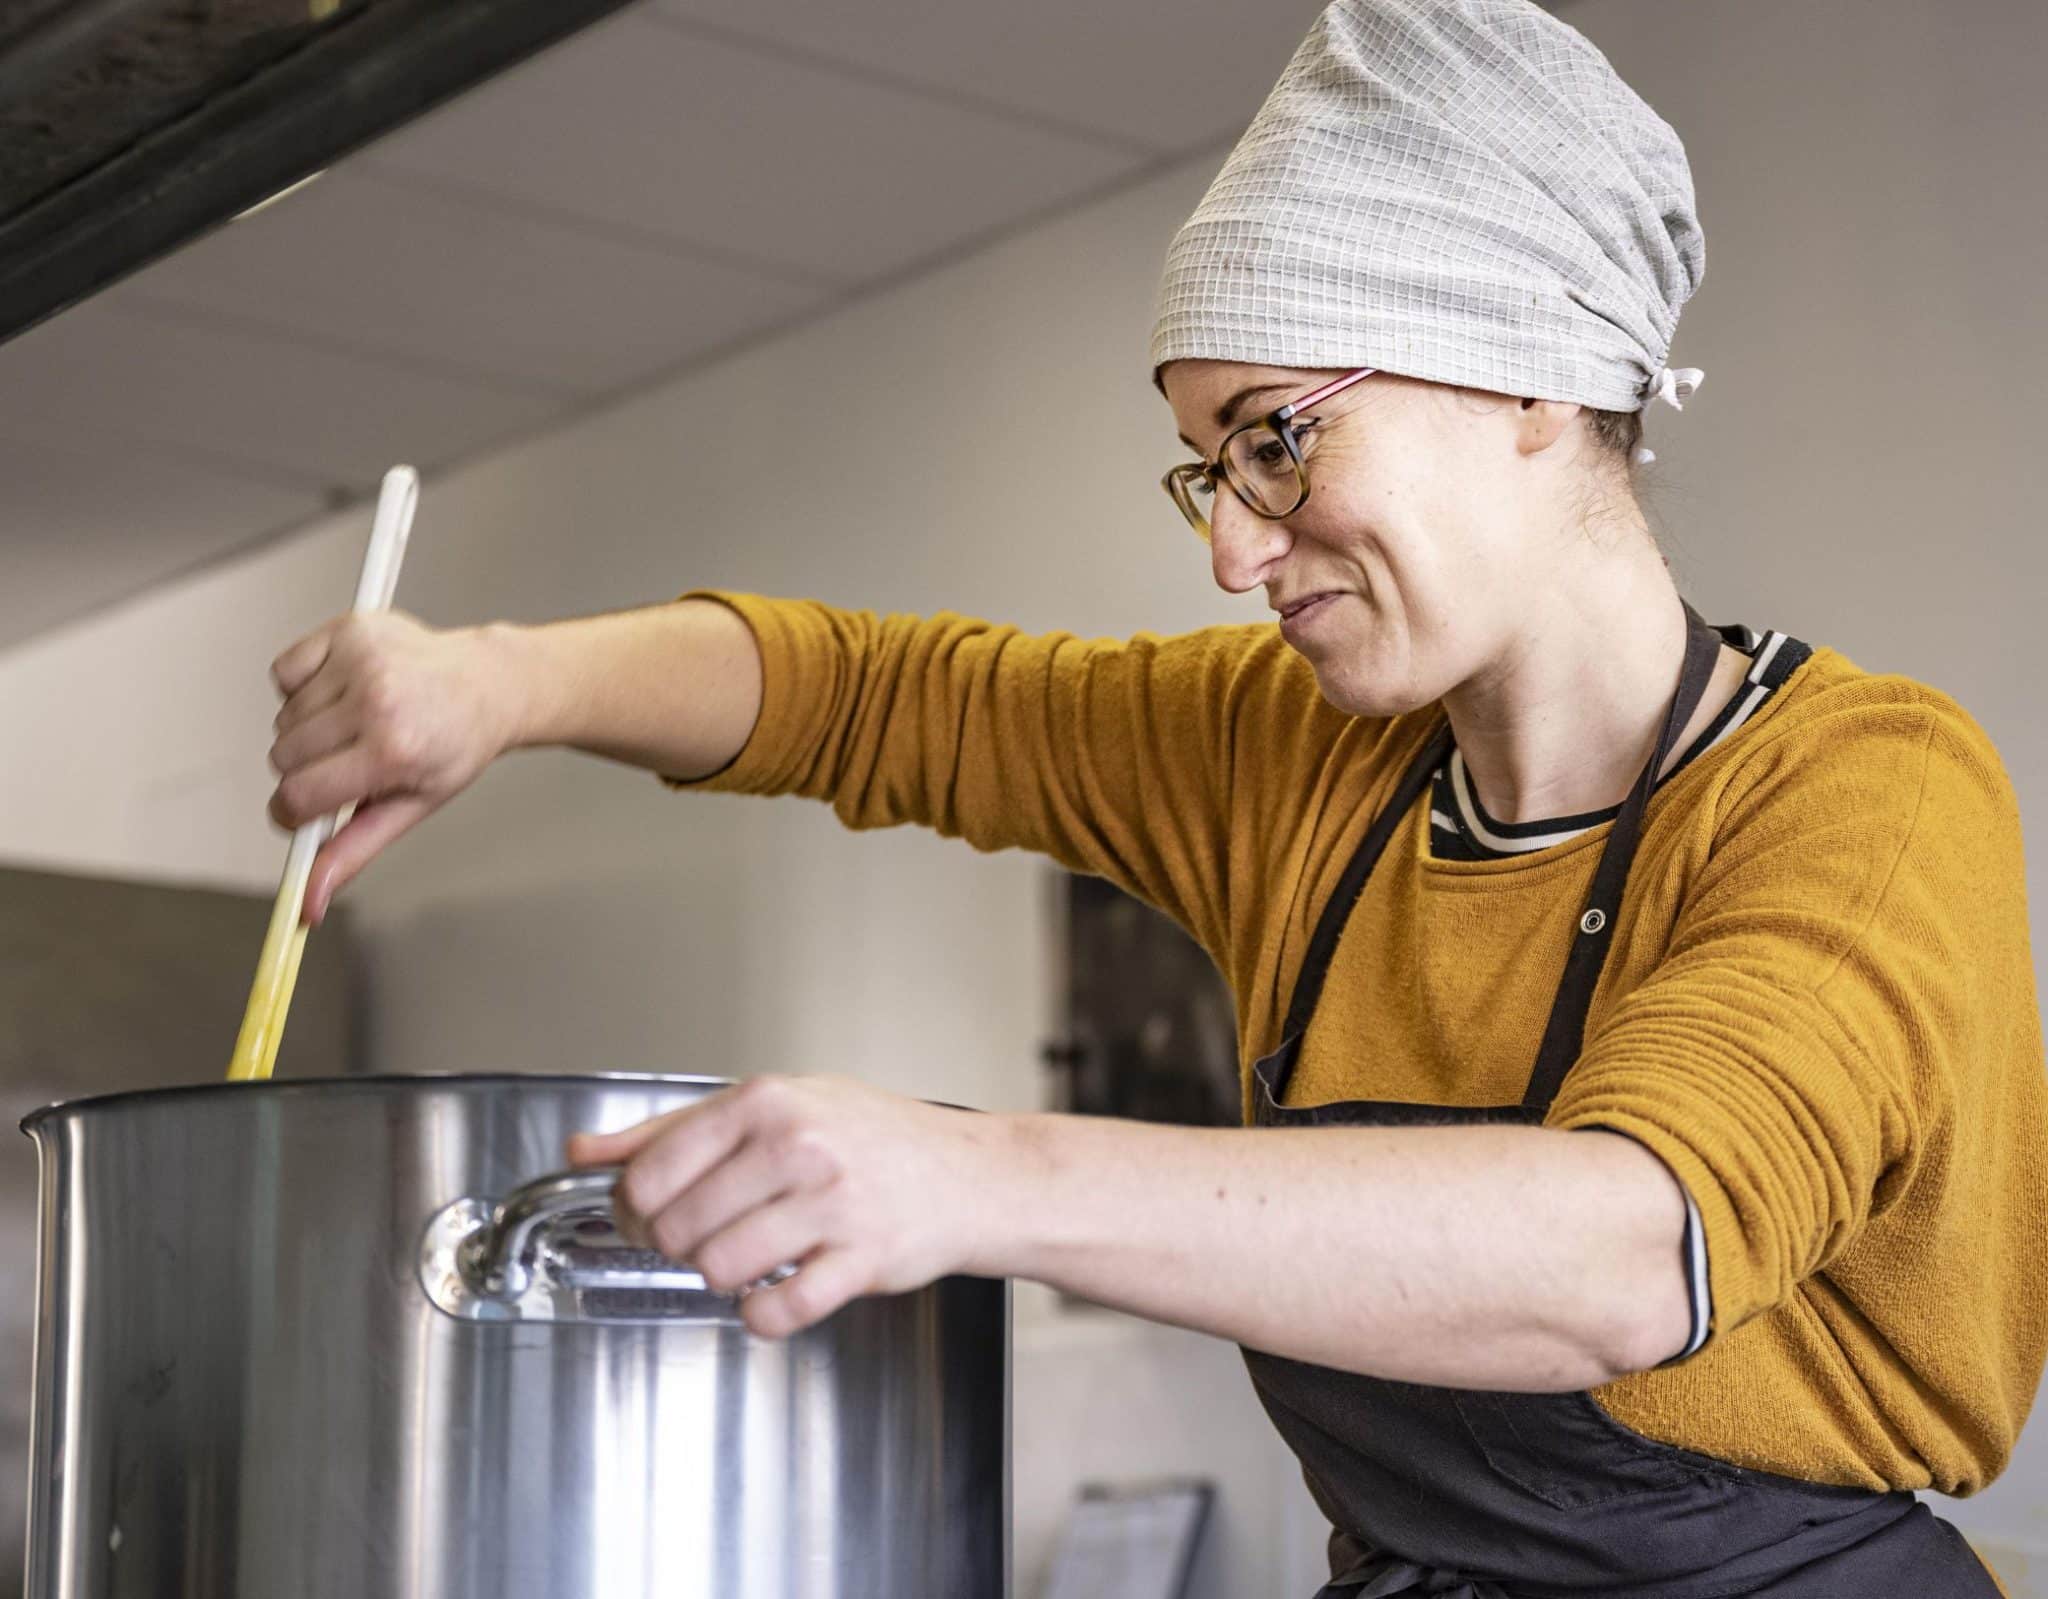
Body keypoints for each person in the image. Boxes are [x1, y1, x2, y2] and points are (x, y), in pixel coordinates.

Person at [265, 2, 2046, 1593]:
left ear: (1527, 371)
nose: (1229, 548)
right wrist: (496, 681)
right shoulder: (1297, 762)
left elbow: (1624, 1248)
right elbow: (869, 692)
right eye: (1207, 463)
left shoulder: (1866, 791)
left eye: (1279, 436)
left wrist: (977, 1178)